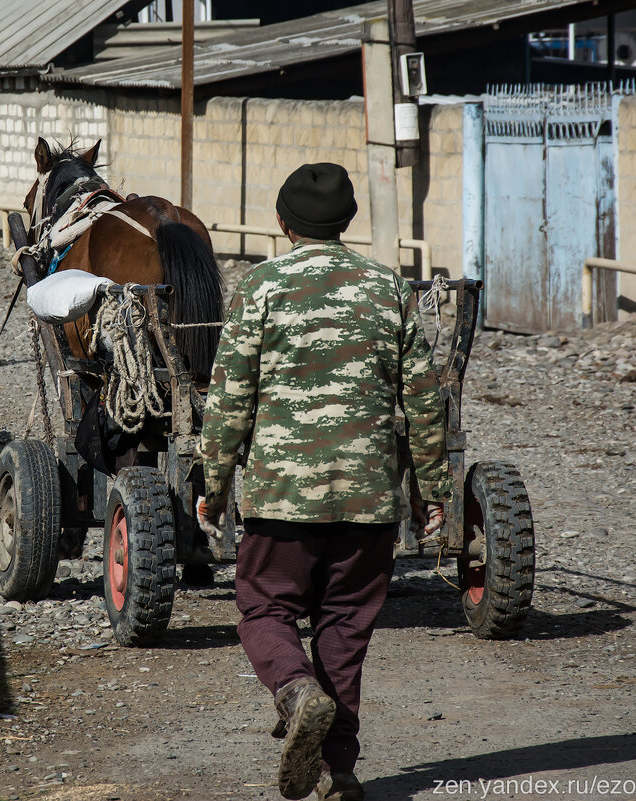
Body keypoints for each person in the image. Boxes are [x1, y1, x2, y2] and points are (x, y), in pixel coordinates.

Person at [195, 163, 451, 800]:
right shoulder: (389, 289)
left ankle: (295, 690)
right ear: (348, 220)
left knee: (264, 607)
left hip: (282, 493)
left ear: (283, 222)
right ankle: (339, 772)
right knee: (344, 627)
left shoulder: (260, 287)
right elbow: (424, 399)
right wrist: (432, 492)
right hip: (367, 498)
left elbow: (229, 400)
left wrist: (214, 484)